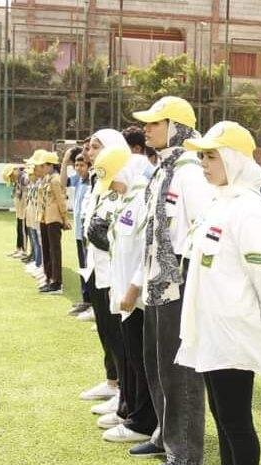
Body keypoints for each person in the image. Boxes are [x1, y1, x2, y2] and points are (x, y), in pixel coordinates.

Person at [177, 121, 261, 465]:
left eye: (211, 157)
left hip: (235, 333)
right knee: (222, 418)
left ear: (233, 159)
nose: (203, 164)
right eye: (202, 157)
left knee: (236, 422)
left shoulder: (248, 208)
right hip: (212, 330)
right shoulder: (220, 202)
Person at [129, 96, 213, 465]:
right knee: (156, 365)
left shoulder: (190, 171)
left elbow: (203, 228)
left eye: (155, 122)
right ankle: (165, 436)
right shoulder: (165, 168)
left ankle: (185, 456)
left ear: (176, 127)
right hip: (158, 284)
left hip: (179, 285)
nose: (146, 129)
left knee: (180, 374)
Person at [98, 144, 159, 444]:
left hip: (138, 297)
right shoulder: (127, 201)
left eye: (114, 179)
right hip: (125, 294)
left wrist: (133, 288)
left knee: (140, 361)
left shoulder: (143, 201)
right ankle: (130, 411)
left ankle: (143, 421)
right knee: (131, 359)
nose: (112, 186)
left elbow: (146, 252)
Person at [78, 129, 129, 412]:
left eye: (96, 147)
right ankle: (112, 381)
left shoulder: (123, 182)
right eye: (89, 148)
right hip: (96, 268)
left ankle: (124, 390)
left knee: (118, 333)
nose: (90, 152)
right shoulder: (97, 182)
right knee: (105, 330)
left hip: (113, 271)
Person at [61, 147, 94, 316]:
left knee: (90, 268)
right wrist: (65, 162)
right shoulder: (78, 180)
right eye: (76, 165)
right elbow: (63, 183)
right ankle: (86, 299)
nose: (79, 168)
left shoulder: (92, 181)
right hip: (79, 233)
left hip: (88, 233)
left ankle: (92, 303)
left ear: (89, 166)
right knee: (83, 267)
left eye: (82, 165)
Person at [36, 150, 70, 294]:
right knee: (46, 249)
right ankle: (49, 277)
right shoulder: (47, 179)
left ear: (50, 165)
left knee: (54, 251)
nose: (41, 168)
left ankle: (57, 282)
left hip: (54, 219)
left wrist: (65, 218)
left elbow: (61, 201)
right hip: (45, 218)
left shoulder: (55, 180)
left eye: (43, 166)